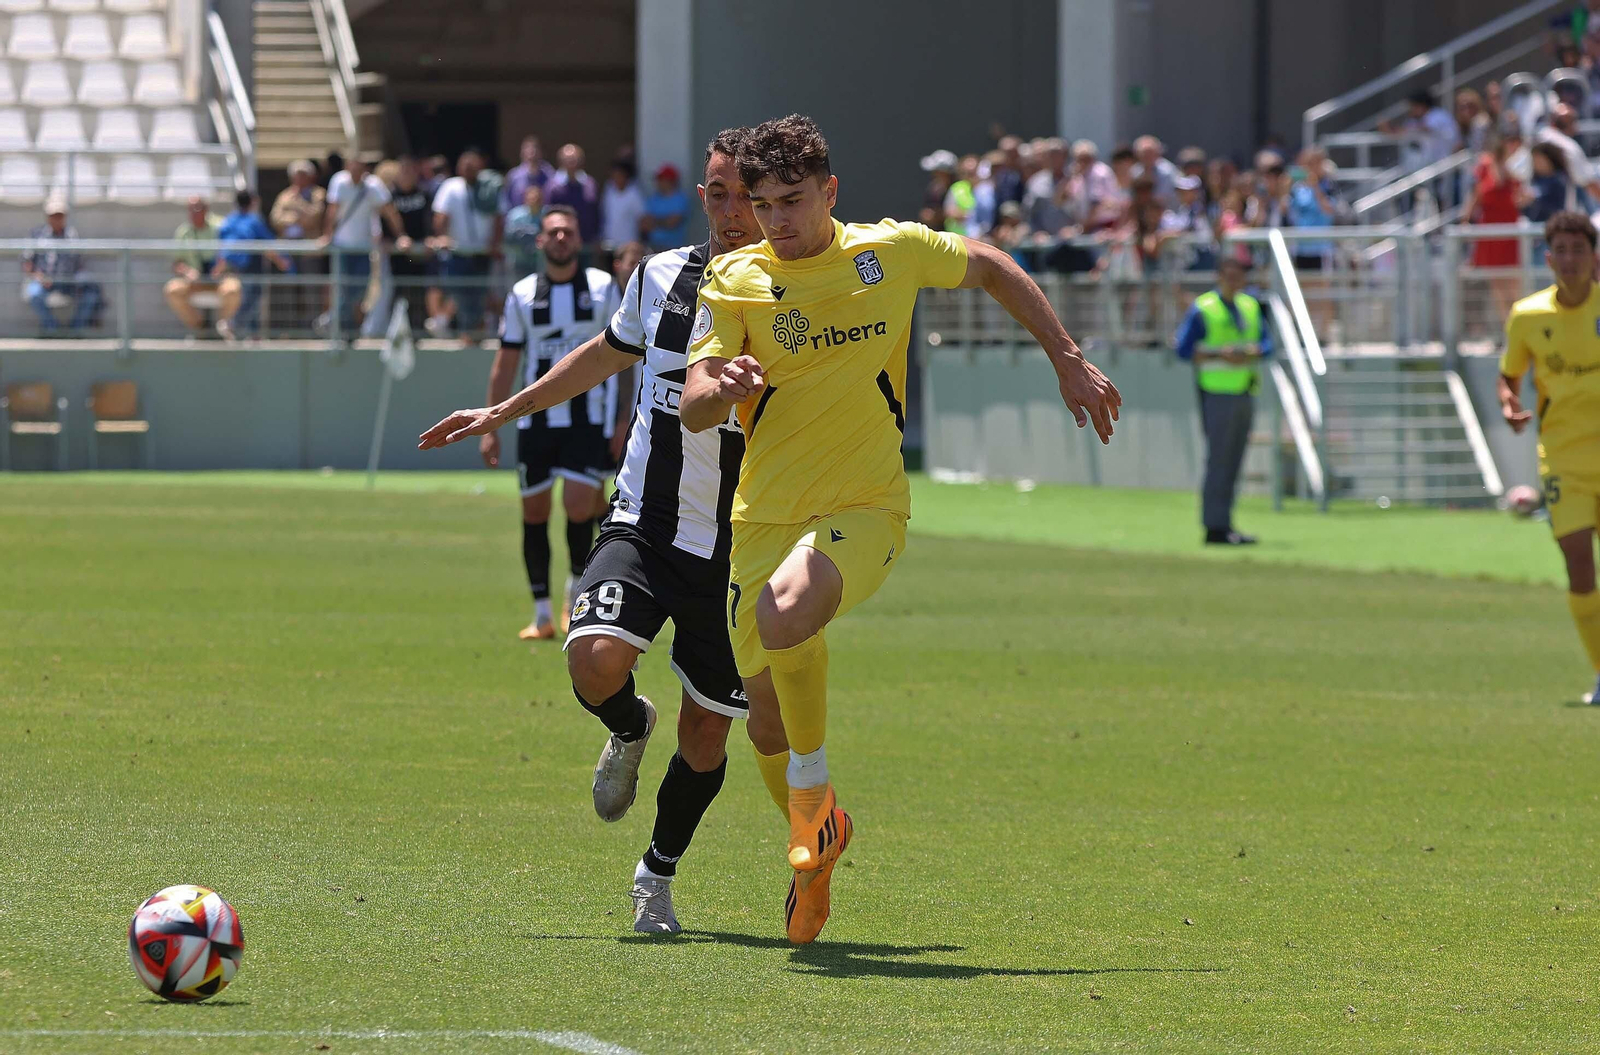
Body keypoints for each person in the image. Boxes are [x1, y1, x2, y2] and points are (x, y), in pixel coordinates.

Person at [678, 114, 1120, 944]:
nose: (777, 220)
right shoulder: (735, 279)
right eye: (764, 203)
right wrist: (722, 381)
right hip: (762, 515)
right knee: (765, 719)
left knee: (785, 613)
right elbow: (698, 400)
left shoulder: (888, 251)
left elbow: (987, 263)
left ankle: (810, 801)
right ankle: (818, 838)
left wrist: (1064, 352)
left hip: (865, 508)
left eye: (794, 201)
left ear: (830, 192)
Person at [418, 128, 780, 935]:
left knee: (709, 737)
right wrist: (504, 409)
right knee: (591, 661)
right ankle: (627, 723)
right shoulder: (659, 275)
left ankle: (656, 874)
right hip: (644, 520)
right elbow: (604, 354)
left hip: (738, 546)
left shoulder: (797, 295)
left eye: (749, 198)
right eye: (719, 193)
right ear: (702, 196)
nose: (733, 212)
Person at [473, 205, 625, 640]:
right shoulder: (521, 294)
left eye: (568, 231)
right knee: (534, 511)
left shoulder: (601, 289)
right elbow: (505, 364)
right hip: (534, 424)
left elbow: (626, 356)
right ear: (540, 241)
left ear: (579, 240)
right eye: (553, 232)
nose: (561, 238)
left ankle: (575, 599)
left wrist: (620, 418)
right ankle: (540, 614)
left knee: (580, 506)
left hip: (587, 421)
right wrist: (491, 422)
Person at [1499, 211, 1600, 703]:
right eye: (1561, 250)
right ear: (1548, 258)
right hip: (1563, 460)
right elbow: (1509, 374)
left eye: (1578, 249)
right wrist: (1509, 403)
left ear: (1593, 255)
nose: (1570, 259)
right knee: (1579, 564)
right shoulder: (1528, 315)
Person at [1173, 256, 1271, 546]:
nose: (1234, 281)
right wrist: (1220, 355)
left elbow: (1268, 344)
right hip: (1216, 392)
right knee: (1219, 461)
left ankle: (1226, 522)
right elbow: (1183, 349)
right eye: (1229, 276)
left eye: (1239, 276)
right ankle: (1214, 526)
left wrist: (1251, 352)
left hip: (1244, 388)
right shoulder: (1204, 308)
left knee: (1234, 461)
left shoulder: (1249, 306)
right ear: (1219, 277)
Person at [321, 153, 408, 335]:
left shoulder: (373, 185)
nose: (355, 172)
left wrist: (401, 235)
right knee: (343, 287)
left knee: (360, 290)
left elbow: (389, 212)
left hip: (363, 248)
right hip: (341, 247)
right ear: (347, 167)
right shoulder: (339, 182)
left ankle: (337, 322)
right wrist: (327, 235)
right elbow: (332, 210)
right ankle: (341, 327)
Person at [429, 148, 503, 340]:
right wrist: (442, 236)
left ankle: (474, 337)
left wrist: (494, 243)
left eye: (473, 165)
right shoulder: (450, 187)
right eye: (465, 165)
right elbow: (440, 216)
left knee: (479, 298)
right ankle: (462, 334)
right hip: (458, 253)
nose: (469, 169)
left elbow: (499, 217)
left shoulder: (490, 186)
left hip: (482, 254)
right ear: (459, 167)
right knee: (460, 296)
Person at [164, 196, 243, 337]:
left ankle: (221, 326)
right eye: (190, 209)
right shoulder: (184, 232)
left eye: (197, 209)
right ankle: (200, 328)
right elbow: (177, 263)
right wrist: (188, 272)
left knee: (233, 289)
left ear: (206, 210)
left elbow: (232, 252)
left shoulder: (221, 226)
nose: (193, 213)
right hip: (195, 281)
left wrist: (221, 266)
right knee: (172, 290)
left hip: (220, 279)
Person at [215, 190, 288, 341]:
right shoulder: (254, 220)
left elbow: (223, 244)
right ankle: (232, 325)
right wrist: (282, 262)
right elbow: (268, 243)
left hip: (231, 267)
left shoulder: (229, 220)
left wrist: (219, 267)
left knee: (249, 298)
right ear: (253, 202)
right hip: (250, 265)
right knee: (252, 298)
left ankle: (252, 335)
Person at [22, 196, 101, 334]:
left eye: (60, 215)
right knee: (34, 294)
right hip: (45, 282)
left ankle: (75, 330)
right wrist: (39, 277)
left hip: (69, 281)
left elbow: (80, 262)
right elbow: (27, 262)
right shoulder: (37, 235)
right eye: (53, 215)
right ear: (47, 216)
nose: (57, 219)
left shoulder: (72, 235)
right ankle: (53, 328)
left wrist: (77, 279)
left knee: (91, 294)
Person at [386, 155, 436, 329]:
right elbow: (385, 221)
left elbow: (430, 219)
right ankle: (397, 331)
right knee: (399, 295)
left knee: (419, 293)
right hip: (398, 255)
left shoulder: (424, 193)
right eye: (404, 170)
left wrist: (430, 237)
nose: (407, 174)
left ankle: (418, 330)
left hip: (420, 253)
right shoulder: (390, 195)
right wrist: (395, 239)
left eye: (411, 170)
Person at [546, 144, 602, 245]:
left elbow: (597, 213)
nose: (571, 163)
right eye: (568, 160)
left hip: (587, 243)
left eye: (574, 159)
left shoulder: (590, 184)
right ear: (561, 162)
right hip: (562, 243)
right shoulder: (553, 187)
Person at [600, 156, 647, 255]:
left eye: (619, 175)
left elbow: (642, 219)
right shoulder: (609, 189)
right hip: (609, 245)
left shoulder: (634, 194)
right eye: (614, 175)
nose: (616, 178)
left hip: (628, 246)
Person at [503, 184, 547, 281]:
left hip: (540, 262)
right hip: (519, 261)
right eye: (532, 198)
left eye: (537, 198)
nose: (534, 201)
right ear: (525, 199)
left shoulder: (547, 215)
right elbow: (508, 237)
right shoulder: (515, 215)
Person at [642, 163, 690, 250]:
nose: (658, 183)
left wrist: (655, 222)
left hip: (675, 247)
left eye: (661, 179)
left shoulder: (680, 198)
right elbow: (645, 224)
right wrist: (663, 221)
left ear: (671, 181)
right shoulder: (654, 198)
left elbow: (673, 222)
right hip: (653, 246)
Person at [502, 135, 555, 214]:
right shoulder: (513, 176)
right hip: (519, 221)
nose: (531, 153)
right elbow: (506, 201)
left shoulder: (550, 174)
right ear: (522, 153)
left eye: (534, 149)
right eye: (527, 149)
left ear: (540, 152)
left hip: (543, 218)